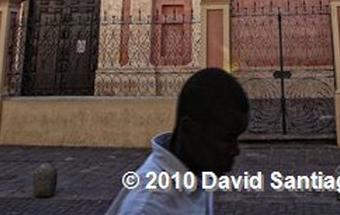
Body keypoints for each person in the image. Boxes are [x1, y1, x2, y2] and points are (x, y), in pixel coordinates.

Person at [106, 68, 250, 214]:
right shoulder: (147, 207)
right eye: (227, 138)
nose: (236, 150)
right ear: (190, 130)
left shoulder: (199, 169)